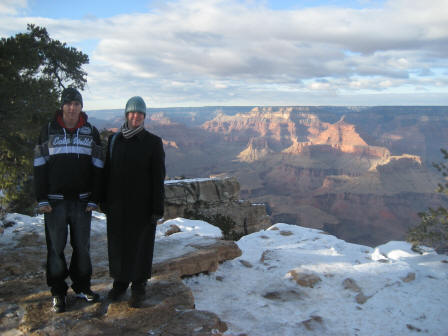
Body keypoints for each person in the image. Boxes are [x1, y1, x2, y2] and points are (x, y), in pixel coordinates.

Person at [33, 87, 104, 313]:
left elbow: (99, 167)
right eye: (68, 103)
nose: (72, 108)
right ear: (62, 106)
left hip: (83, 202)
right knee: (55, 248)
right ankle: (58, 292)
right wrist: (41, 198)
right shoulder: (48, 131)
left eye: (76, 104)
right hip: (55, 202)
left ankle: (82, 286)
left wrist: (95, 197)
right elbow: (39, 166)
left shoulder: (90, 131)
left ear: (81, 107)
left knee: (82, 247)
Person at [102, 96, 165, 308]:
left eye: (140, 113)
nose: (135, 116)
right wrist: (104, 199)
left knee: (141, 245)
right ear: (126, 114)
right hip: (117, 204)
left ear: (144, 116)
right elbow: (107, 171)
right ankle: (120, 283)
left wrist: (157, 207)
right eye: (132, 112)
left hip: (142, 205)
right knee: (118, 244)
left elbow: (158, 177)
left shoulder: (153, 142)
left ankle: (139, 286)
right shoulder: (114, 140)